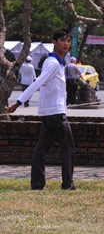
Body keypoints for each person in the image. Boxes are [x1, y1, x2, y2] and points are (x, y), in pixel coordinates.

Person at [3, 29, 76, 191]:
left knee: (40, 150)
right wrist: (18, 103)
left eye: (68, 41)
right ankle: (68, 185)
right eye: (62, 40)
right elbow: (37, 84)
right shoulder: (53, 63)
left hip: (48, 113)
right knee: (68, 149)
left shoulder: (56, 63)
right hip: (56, 114)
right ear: (54, 42)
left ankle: (37, 185)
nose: (66, 43)